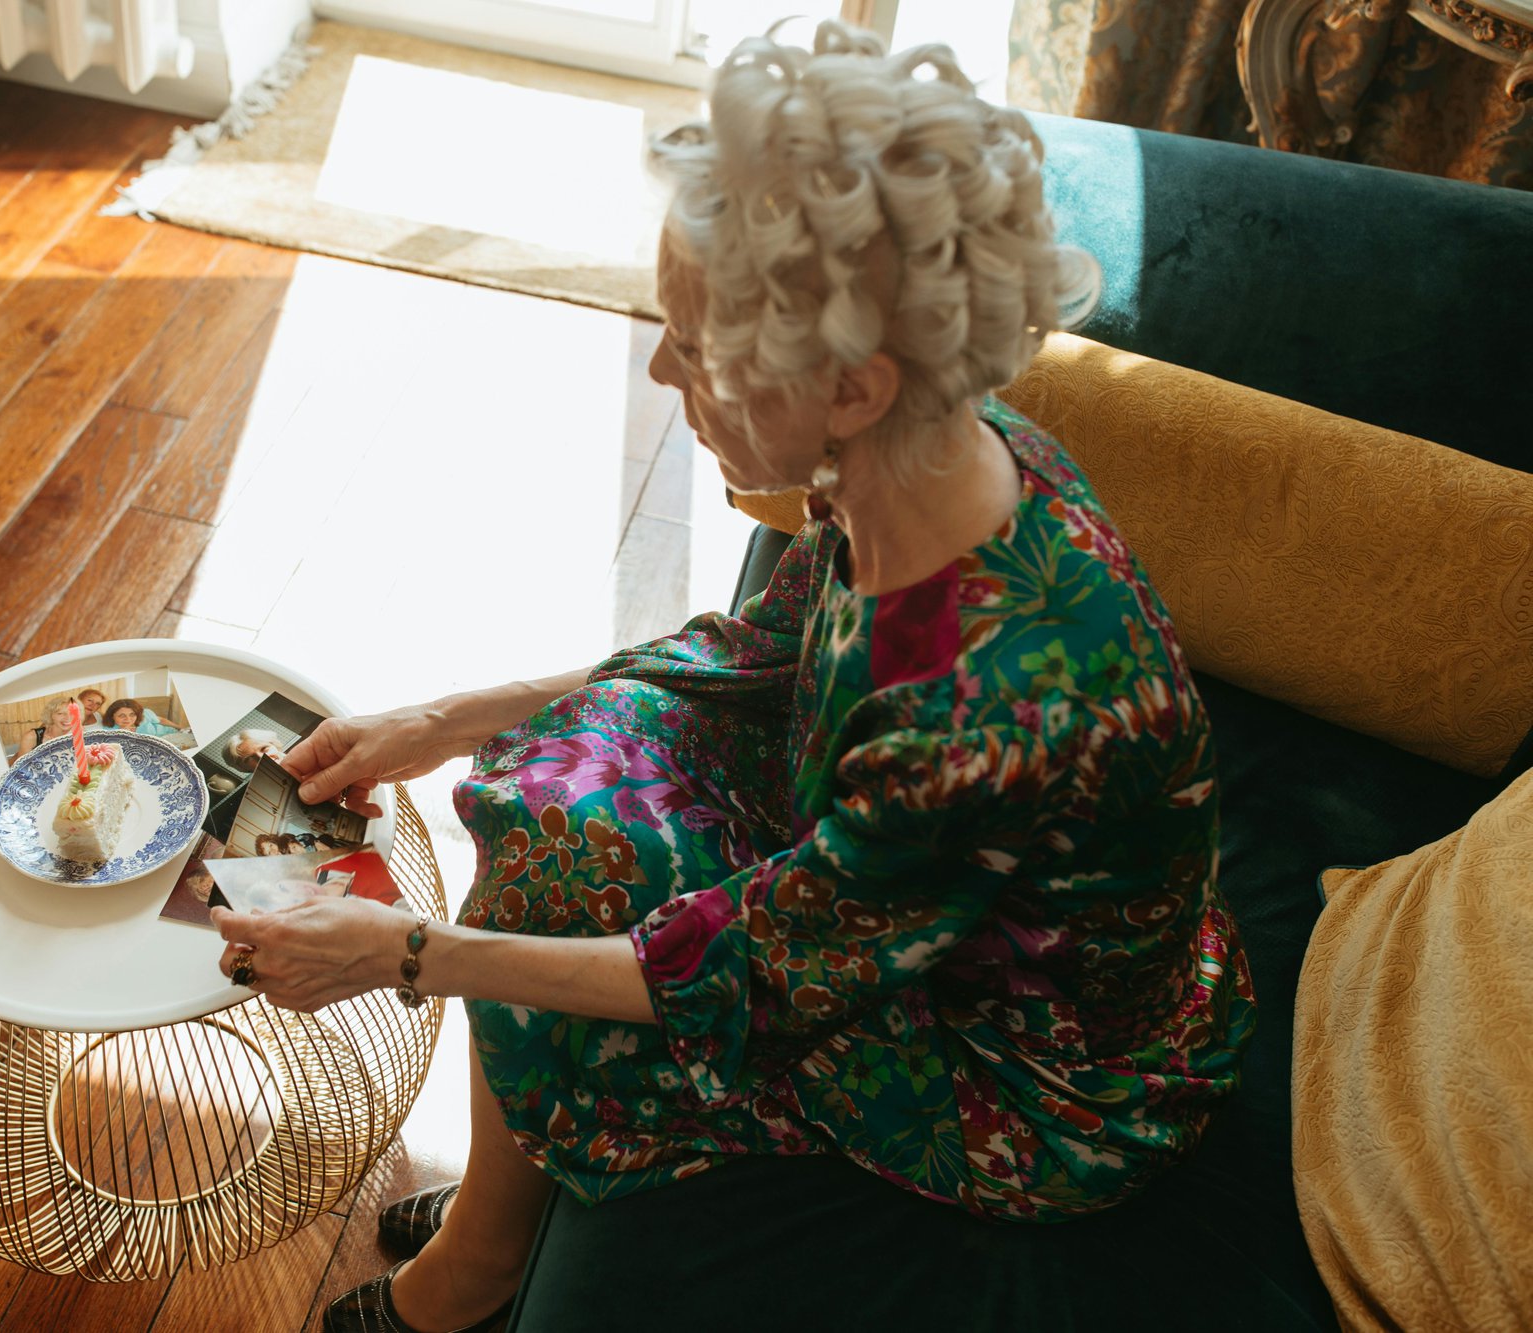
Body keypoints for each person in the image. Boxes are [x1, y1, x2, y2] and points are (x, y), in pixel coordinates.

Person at [212, 25, 1254, 1333]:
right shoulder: (948, 459)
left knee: (554, 899)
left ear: (857, 386)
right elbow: (746, 656)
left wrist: (403, 955)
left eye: (694, 346)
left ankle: (475, 1268)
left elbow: (732, 975)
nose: (661, 370)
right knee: (560, 783)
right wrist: (442, 720)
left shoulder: (978, 716)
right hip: (903, 895)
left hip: (1032, 1072)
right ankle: (500, 1221)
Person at [10, 695, 79, 765]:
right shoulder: (31, 737)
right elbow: (21, 769)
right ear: (50, 715)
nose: (67, 718)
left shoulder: (80, 735)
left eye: (72, 713)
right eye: (60, 713)